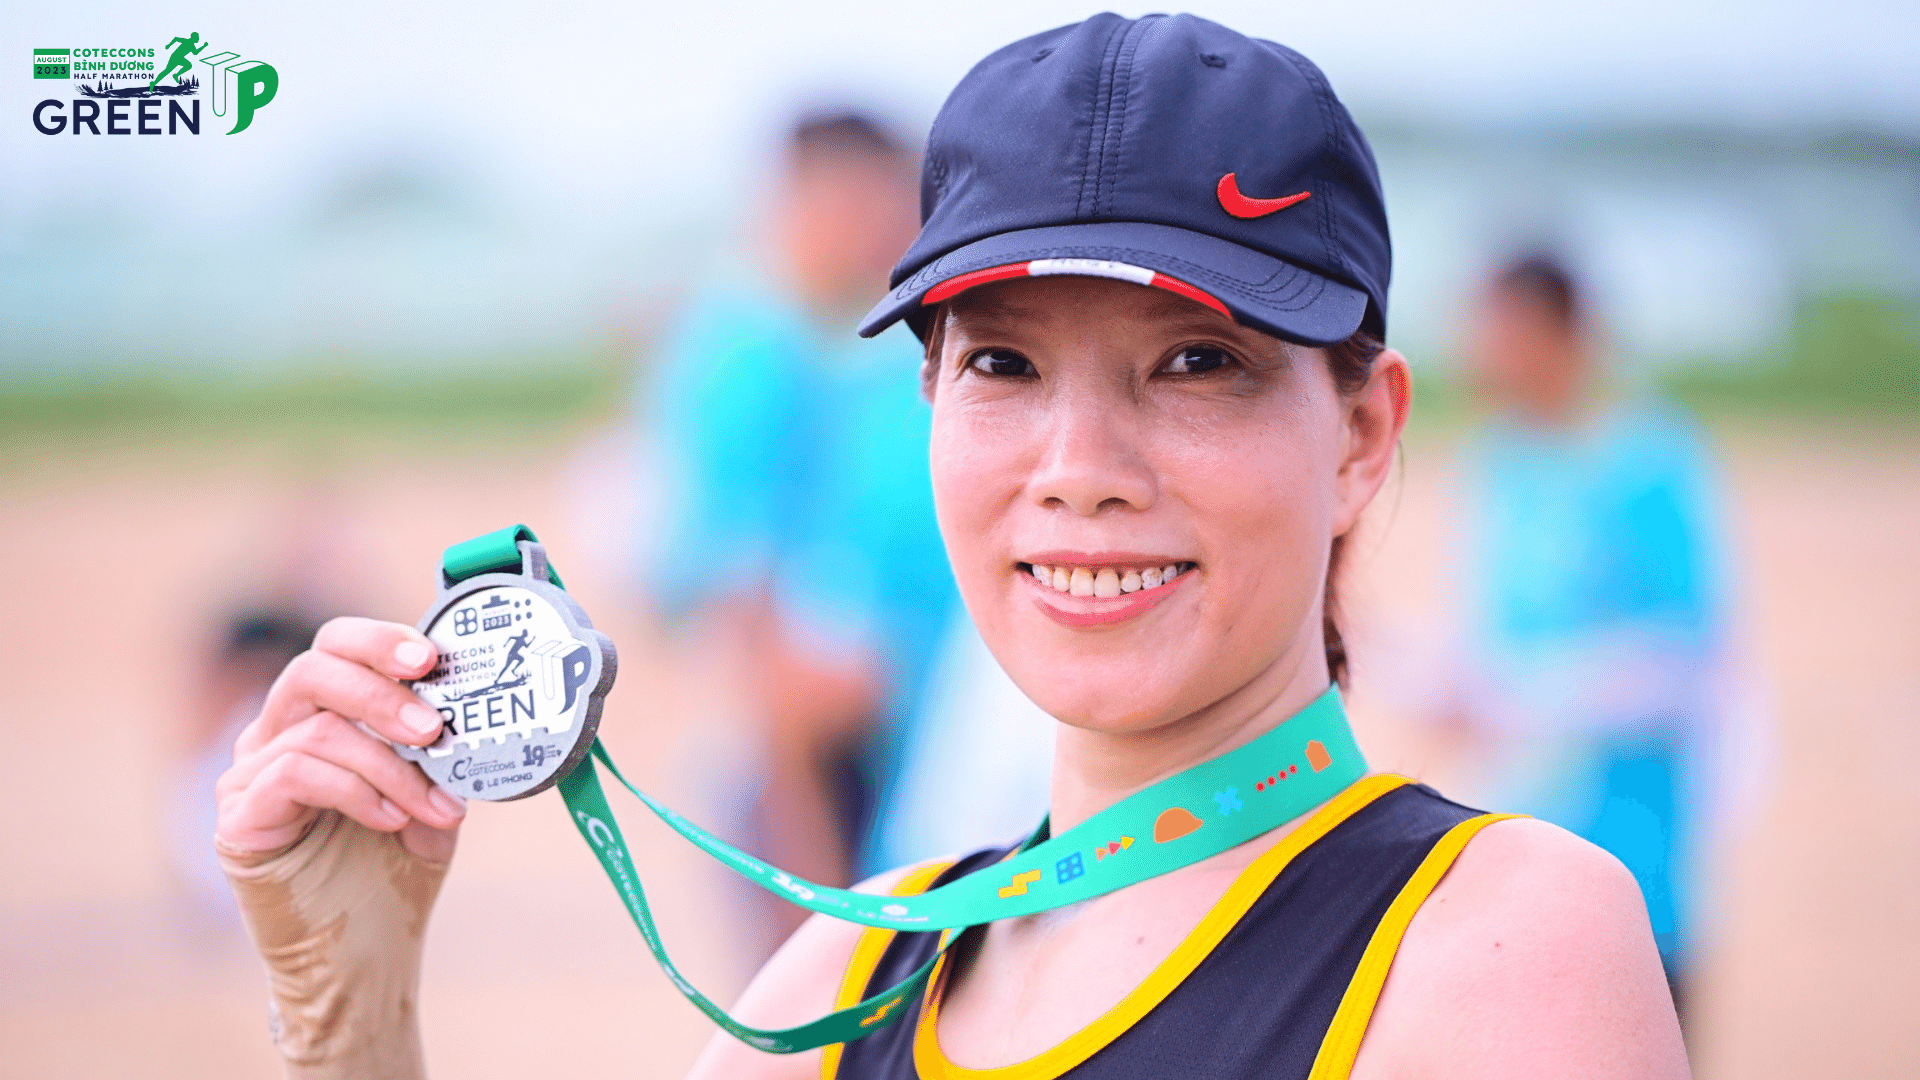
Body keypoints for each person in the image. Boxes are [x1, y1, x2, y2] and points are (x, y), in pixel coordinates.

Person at [213, 15, 1688, 1080]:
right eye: (1003, 365)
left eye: (1198, 362)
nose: (1080, 471)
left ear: (1363, 434)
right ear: (924, 403)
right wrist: (353, 1024)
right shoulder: (838, 987)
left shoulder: (1496, 943)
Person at [638, 111, 963, 930]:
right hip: (819, 767)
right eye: (857, 205)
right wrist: (826, 908)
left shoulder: (860, 350)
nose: (881, 230)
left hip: (895, 741)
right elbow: (746, 624)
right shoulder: (743, 349)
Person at [1448, 253, 1740, 1007]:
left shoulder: (1647, 461)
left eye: (1500, 333)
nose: (1480, 354)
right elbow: (1492, 639)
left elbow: (1684, 660)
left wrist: (1531, 699)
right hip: (1522, 840)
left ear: (1560, 333)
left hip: (1631, 852)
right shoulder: (1501, 458)